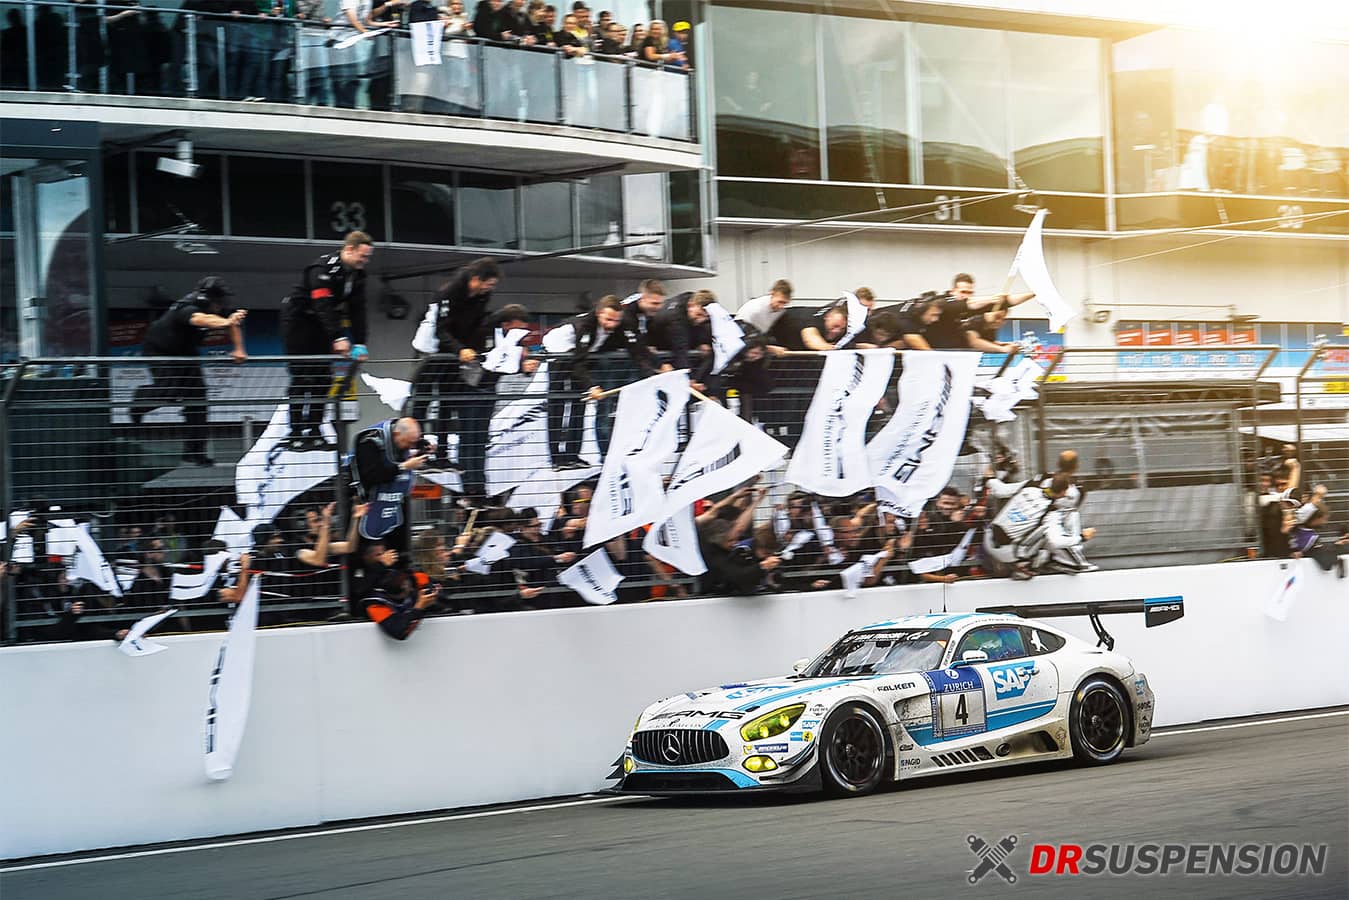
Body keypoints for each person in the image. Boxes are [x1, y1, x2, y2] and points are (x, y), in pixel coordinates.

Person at [406, 257, 501, 496]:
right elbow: (441, 329)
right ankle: (420, 451)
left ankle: (442, 455)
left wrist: (475, 350)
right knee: (422, 402)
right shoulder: (449, 293)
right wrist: (460, 349)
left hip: (457, 355)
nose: (489, 289)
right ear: (476, 279)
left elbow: (475, 325)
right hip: (435, 352)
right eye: (488, 283)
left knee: (448, 403)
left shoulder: (482, 296)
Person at [130, 276, 247, 466]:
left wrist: (239, 349)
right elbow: (202, 319)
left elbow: (231, 324)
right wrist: (226, 322)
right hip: (160, 349)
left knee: (198, 400)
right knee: (169, 391)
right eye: (219, 301)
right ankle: (139, 402)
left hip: (186, 350)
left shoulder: (216, 309)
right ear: (208, 299)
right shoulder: (187, 307)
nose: (221, 305)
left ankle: (194, 452)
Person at [283, 231, 372, 450]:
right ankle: (295, 432)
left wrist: (360, 342)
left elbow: (358, 311)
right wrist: (338, 336)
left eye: (367, 257)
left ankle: (315, 431)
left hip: (321, 324)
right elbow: (322, 305)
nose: (365, 261)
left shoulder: (358, 275)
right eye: (362, 256)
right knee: (302, 377)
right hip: (299, 321)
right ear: (349, 249)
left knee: (323, 378)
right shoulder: (321, 268)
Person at [543, 294, 635, 467]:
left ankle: (573, 455)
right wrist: (591, 386)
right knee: (557, 405)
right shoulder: (584, 326)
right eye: (608, 320)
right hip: (560, 353)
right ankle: (557, 458)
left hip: (581, 356)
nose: (612, 325)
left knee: (579, 404)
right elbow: (577, 362)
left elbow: (633, 346)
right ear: (599, 313)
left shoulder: (616, 325)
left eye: (616, 320)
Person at [984, 473, 1095, 580]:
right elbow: (1055, 542)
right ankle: (1026, 565)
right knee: (1049, 533)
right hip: (1008, 553)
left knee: (1031, 526)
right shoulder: (1051, 513)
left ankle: (1024, 561)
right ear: (1063, 492)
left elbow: (1001, 490)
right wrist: (1082, 537)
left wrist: (989, 479)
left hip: (988, 538)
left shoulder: (1029, 486)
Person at [353, 416, 430, 566]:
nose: (409, 448)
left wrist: (423, 448)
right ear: (396, 434)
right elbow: (372, 476)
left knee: (397, 551)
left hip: (393, 506)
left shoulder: (402, 437)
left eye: (413, 444)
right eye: (408, 443)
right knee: (367, 552)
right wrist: (403, 466)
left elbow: (409, 444)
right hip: (365, 505)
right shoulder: (368, 441)